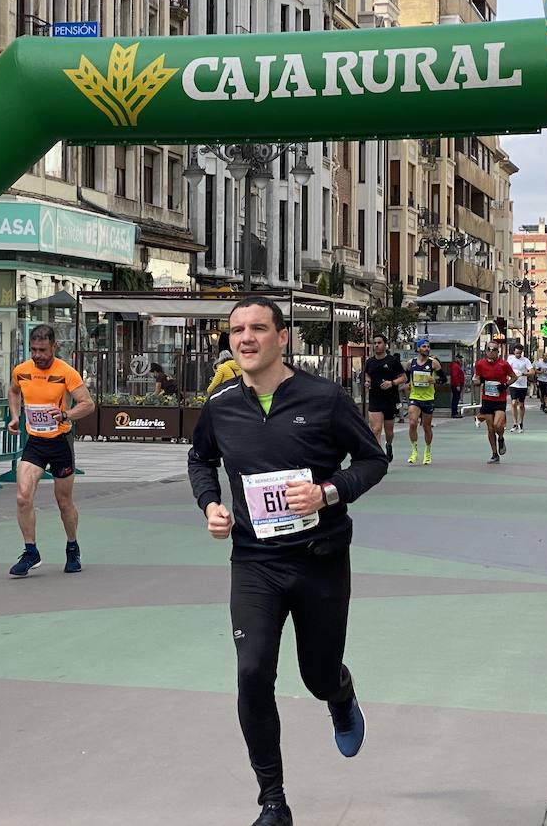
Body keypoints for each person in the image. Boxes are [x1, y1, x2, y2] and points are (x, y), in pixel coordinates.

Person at [188, 296, 386, 826]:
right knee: (252, 673)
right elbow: (201, 459)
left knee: (317, 674)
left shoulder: (324, 398)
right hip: (254, 562)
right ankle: (272, 800)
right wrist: (210, 504)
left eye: (257, 328)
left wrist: (328, 492)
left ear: (282, 338)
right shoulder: (221, 403)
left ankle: (339, 694)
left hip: (320, 559)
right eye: (236, 331)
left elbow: (372, 461)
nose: (245, 338)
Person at [6, 323, 97, 577]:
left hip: (60, 442)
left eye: (42, 350)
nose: (37, 355)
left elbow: (87, 404)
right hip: (35, 442)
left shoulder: (66, 372)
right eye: (34, 350)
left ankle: (72, 547)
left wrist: (66, 414)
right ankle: (31, 551)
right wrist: (14, 417)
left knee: (63, 502)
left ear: (54, 347)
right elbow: (14, 392)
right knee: (23, 497)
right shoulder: (22, 371)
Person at [363, 334, 406, 461]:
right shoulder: (370, 362)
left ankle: (389, 445)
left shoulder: (392, 361)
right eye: (374, 343)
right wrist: (367, 382)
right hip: (375, 398)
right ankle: (378, 458)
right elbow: (367, 375)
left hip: (389, 400)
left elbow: (404, 378)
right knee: (376, 430)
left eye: (379, 342)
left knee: (389, 432)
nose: (376, 345)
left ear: (385, 344)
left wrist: (391, 383)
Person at [472, 344, 516, 464]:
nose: (491, 352)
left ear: (498, 351)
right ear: (486, 351)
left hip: (499, 399)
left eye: (494, 350)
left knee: (497, 425)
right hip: (487, 399)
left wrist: (505, 385)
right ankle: (495, 454)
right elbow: (477, 378)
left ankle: (501, 438)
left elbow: (514, 377)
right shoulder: (480, 364)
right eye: (489, 349)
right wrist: (477, 381)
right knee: (490, 429)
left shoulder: (504, 364)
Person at [405, 340, 440, 464]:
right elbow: (406, 377)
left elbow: (443, 379)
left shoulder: (433, 363)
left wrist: (434, 379)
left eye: (428, 347)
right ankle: (414, 451)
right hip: (415, 397)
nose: (426, 348)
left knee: (426, 426)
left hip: (428, 398)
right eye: (424, 346)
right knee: (413, 423)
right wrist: (407, 384)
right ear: (418, 348)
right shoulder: (411, 363)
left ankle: (428, 451)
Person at [505, 344, 533, 433]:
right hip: (513, 384)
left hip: (522, 385)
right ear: (514, 352)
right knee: (513, 403)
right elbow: (505, 369)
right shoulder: (510, 359)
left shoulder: (525, 360)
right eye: (517, 353)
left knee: (521, 405)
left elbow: (532, 372)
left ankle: (521, 423)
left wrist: (524, 374)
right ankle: (515, 423)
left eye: (520, 353)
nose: (518, 355)